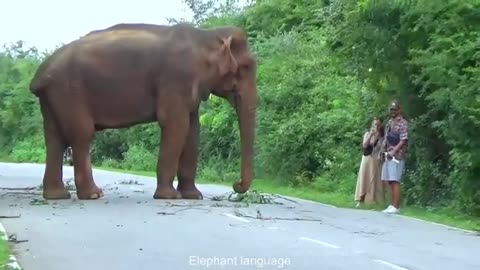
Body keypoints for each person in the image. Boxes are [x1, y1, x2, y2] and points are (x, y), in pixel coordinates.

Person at [381, 100, 408, 214]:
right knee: (387, 179)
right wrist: (382, 151)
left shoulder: (403, 123)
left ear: (399, 110)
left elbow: (403, 139)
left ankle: (396, 206)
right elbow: (386, 138)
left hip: (397, 155)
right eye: (391, 109)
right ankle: (391, 204)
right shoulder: (389, 122)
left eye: (395, 109)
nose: (392, 111)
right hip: (387, 154)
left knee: (394, 180)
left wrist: (394, 151)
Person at [354, 117, 385, 207]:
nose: (377, 126)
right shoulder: (367, 134)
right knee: (364, 177)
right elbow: (365, 145)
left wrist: (378, 137)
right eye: (375, 124)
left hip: (376, 160)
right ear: (372, 125)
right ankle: (361, 199)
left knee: (375, 179)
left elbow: (382, 148)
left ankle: (373, 200)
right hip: (367, 159)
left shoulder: (382, 137)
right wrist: (372, 135)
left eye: (378, 124)